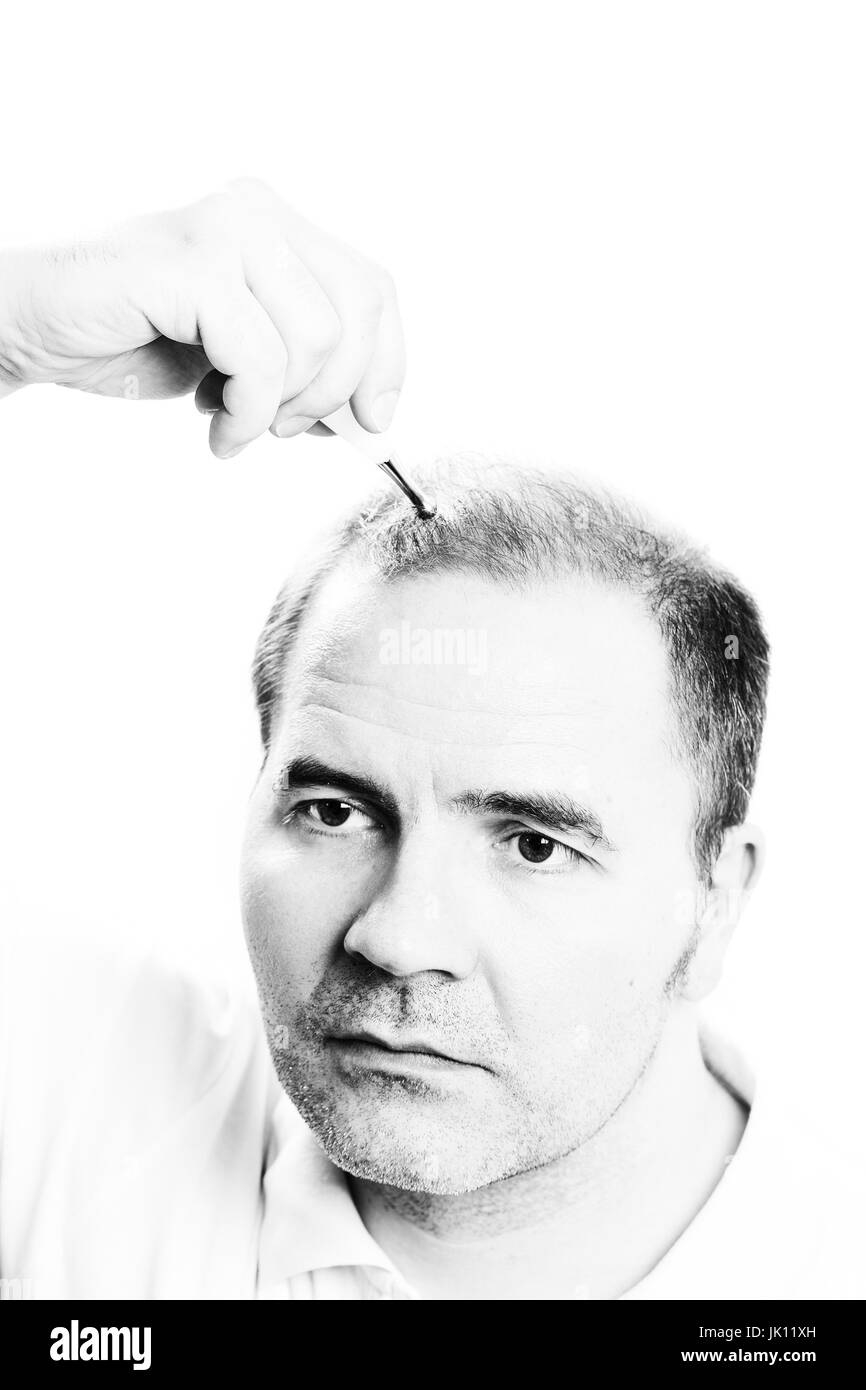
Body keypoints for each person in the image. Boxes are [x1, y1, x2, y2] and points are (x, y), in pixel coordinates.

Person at [0, 187, 860, 1301]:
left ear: (714, 903)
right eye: (334, 810)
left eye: (532, 844)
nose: (398, 938)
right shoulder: (76, 1108)